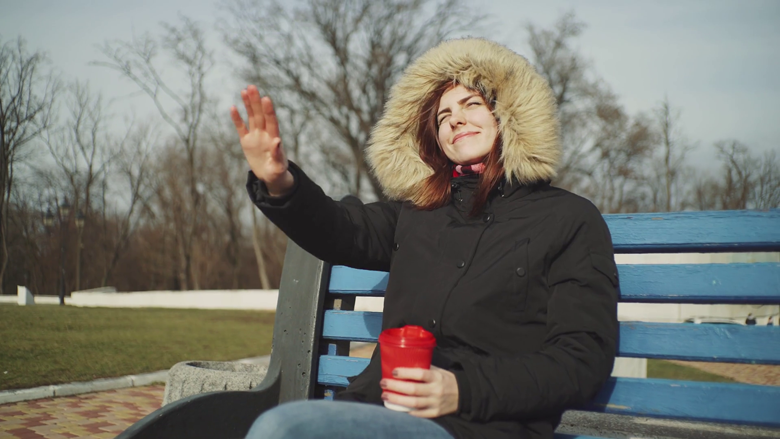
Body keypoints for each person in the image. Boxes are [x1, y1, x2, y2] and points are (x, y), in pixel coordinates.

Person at [231, 38, 619, 439]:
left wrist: (462, 389)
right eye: (443, 115)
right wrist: (279, 182)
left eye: (471, 104)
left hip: (484, 425)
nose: (454, 120)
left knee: (282, 429)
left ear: (510, 114)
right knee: (283, 427)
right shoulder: (417, 213)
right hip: (379, 411)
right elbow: (339, 228)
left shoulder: (567, 218)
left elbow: (582, 358)